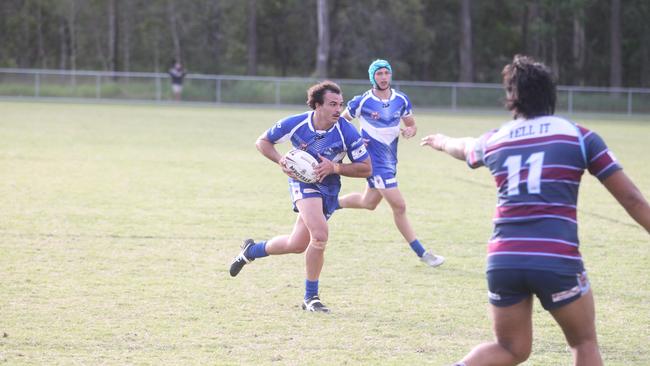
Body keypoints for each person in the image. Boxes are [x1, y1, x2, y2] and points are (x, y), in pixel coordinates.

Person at [420, 54, 650, 366]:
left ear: (512, 99)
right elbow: (632, 199)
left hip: (503, 260)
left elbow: (463, 147)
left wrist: (441, 140)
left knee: (511, 348)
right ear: (551, 93)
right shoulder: (579, 136)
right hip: (556, 257)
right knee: (584, 342)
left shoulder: (496, 139)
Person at [229, 81, 371, 313]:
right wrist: (280, 160)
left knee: (296, 244)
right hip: (303, 183)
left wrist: (335, 168)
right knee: (320, 235)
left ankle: (250, 251)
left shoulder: (346, 131)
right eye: (332, 104)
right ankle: (310, 297)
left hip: (330, 187)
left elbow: (366, 168)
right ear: (317, 105)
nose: (338, 109)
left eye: (340, 104)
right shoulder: (296, 123)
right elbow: (263, 142)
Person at [338, 59, 445, 267]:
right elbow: (341, 123)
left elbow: (412, 125)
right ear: (372, 77)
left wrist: (409, 131)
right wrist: (357, 140)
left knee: (368, 203)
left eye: (387, 73)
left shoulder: (401, 100)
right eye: (379, 74)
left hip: (390, 160)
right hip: (372, 161)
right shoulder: (362, 101)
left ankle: (329, 204)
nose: (384, 77)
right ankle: (422, 253)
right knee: (400, 206)